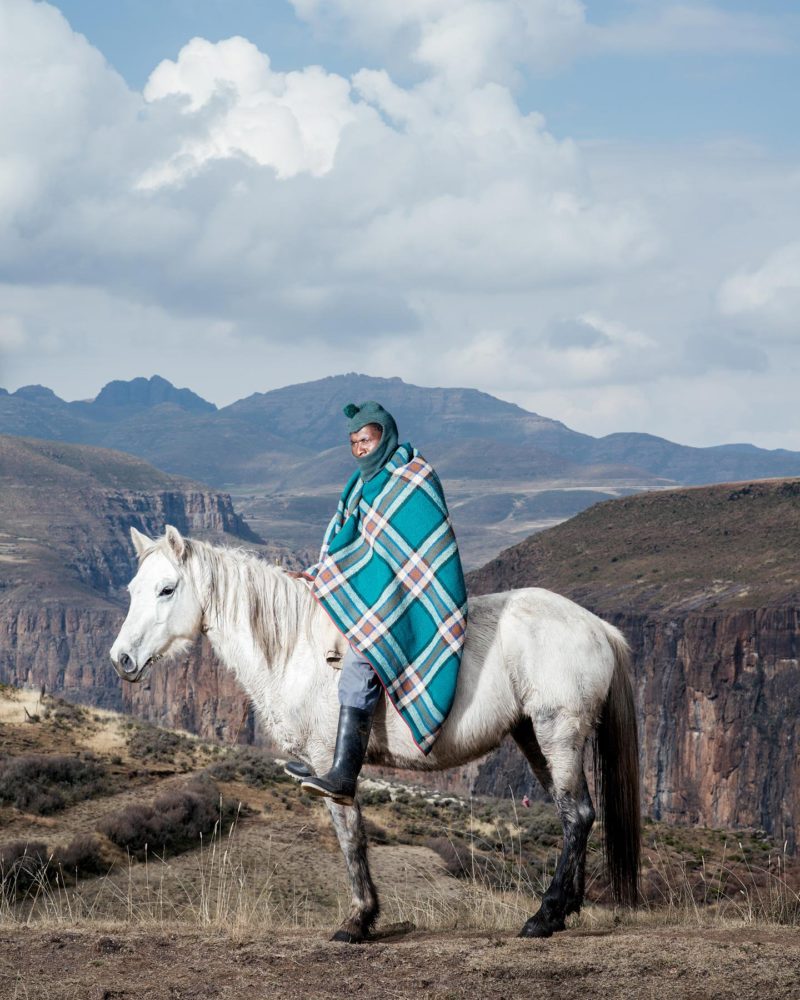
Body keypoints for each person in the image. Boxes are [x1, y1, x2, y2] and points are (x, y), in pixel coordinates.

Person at [284, 400, 468, 806]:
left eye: (365, 440)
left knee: (359, 662)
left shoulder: (412, 477)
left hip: (409, 600)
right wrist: (318, 573)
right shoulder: (358, 486)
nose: (360, 449)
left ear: (385, 435)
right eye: (353, 443)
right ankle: (325, 756)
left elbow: (423, 549)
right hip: (379, 595)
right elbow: (348, 544)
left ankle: (345, 775)